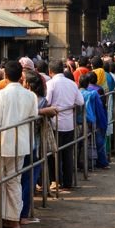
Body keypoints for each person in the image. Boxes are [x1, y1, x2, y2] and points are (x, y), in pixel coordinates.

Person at [0, 61, 38, 228]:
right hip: (22, 143)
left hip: (4, 142)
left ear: (5, 76)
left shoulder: (1, 95)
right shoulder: (30, 95)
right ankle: (11, 216)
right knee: (14, 180)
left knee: (2, 180)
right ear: (21, 76)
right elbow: (34, 116)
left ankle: (9, 217)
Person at [20, 70, 56, 220]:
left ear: (28, 84)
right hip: (34, 143)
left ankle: (22, 211)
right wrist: (43, 111)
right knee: (30, 178)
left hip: (26, 142)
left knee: (24, 179)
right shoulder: (42, 101)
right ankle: (24, 212)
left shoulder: (28, 98)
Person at [46, 60, 84, 191]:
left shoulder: (50, 84)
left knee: (54, 154)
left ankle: (56, 180)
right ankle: (68, 181)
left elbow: (46, 102)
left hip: (55, 123)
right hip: (69, 123)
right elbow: (80, 101)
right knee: (68, 153)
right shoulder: (72, 83)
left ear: (50, 72)